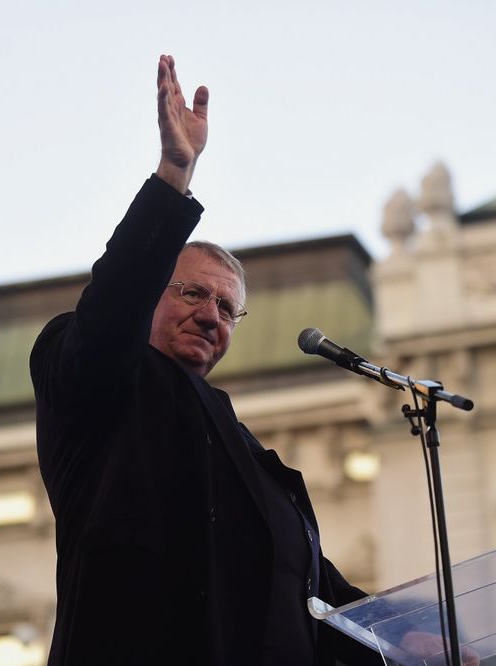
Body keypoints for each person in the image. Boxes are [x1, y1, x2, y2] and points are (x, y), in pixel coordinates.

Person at [31, 55, 454, 666]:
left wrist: (405, 638)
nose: (212, 315)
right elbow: (112, 309)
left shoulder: (240, 449)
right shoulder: (92, 373)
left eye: (229, 309)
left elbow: (314, 593)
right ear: (154, 289)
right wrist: (175, 173)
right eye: (194, 293)